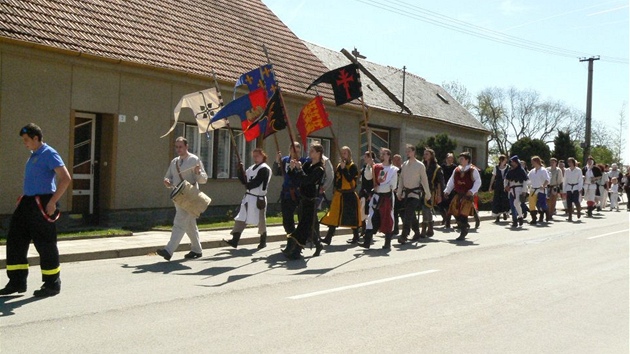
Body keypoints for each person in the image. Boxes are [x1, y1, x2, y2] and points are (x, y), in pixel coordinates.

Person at [1, 123, 71, 297]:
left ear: (36, 138)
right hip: (28, 202)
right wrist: (24, 196)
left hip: (43, 202)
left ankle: (52, 284)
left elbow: (65, 178)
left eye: (26, 140)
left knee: (45, 243)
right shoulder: (33, 156)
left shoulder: (49, 153)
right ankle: (16, 281)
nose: (24, 143)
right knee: (15, 239)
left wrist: (53, 202)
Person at [157, 137, 209, 261]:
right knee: (190, 224)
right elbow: (168, 177)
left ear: (186, 147)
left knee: (179, 222)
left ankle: (169, 250)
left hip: (190, 196)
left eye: (180, 146)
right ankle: (197, 249)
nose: (178, 149)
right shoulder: (174, 162)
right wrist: (167, 181)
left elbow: (204, 179)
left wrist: (197, 172)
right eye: (176, 147)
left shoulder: (194, 159)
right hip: (178, 197)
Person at [281, 144, 326, 259]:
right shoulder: (308, 164)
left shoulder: (319, 169)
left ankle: (296, 251)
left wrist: (300, 169)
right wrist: (292, 168)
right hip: (302, 198)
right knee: (307, 224)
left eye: (312, 151)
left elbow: (307, 180)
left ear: (318, 153)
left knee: (303, 225)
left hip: (311, 199)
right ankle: (318, 244)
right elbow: (297, 178)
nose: (309, 153)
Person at [223, 148, 272, 249]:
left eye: (257, 155)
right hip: (248, 197)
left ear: (263, 156)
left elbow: (256, 183)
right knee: (241, 217)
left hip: (258, 199)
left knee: (261, 220)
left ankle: (263, 240)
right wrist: (240, 171)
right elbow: (244, 180)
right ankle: (235, 240)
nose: (255, 158)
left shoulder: (264, 169)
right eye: (254, 156)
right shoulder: (252, 167)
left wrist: (247, 184)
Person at [320, 146, 361, 246]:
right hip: (339, 195)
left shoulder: (352, 166)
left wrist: (344, 169)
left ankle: (356, 236)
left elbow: (350, 179)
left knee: (352, 216)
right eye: (342, 153)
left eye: (345, 153)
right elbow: (337, 179)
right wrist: (334, 189)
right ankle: (328, 237)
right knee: (334, 215)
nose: (343, 155)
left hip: (349, 195)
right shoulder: (339, 165)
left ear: (349, 155)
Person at [359, 148, 398, 249]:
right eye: (381, 154)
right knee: (371, 218)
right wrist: (369, 165)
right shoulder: (376, 167)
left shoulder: (393, 170)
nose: (382, 155)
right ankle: (367, 242)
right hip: (376, 197)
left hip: (387, 198)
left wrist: (379, 187)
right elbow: (368, 176)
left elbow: (392, 186)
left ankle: (387, 243)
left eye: (384, 154)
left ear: (389, 156)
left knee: (387, 219)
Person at [396, 145, 430, 244]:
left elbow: (424, 180)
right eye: (406, 151)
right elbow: (401, 180)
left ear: (414, 152)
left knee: (408, 213)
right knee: (411, 214)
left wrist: (428, 193)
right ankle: (416, 232)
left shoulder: (420, 165)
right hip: (406, 193)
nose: (407, 153)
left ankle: (404, 235)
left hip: (415, 194)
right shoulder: (404, 165)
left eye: (409, 151)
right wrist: (399, 191)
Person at [443, 152, 481, 241]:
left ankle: (463, 231)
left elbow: (478, 182)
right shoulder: (456, 170)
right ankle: (464, 225)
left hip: (467, 197)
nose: (460, 160)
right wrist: (447, 191)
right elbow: (451, 181)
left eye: (462, 159)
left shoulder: (473, 170)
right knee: (453, 210)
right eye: (460, 158)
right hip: (458, 194)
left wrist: (471, 191)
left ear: (467, 160)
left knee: (463, 213)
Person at [273, 142, 307, 235]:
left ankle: (304, 236)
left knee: (302, 217)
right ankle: (291, 236)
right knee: (287, 218)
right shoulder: (285, 160)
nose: (294, 150)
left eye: (296, 148)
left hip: (300, 192)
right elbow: (276, 172)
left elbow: (305, 176)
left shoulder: (304, 161)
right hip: (287, 192)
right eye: (292, 148)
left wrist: (299, 167)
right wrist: (277, 161)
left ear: (300, 150)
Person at [421, 148, 444, 237]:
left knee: (426, 208)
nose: (425, 156)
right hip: (420, 190)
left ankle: (424, 229)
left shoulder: (437, 168)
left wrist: (439, 195)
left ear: (431, 156)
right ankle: (430, 228)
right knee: (426, 209)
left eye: (427, 154)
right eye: (424, 154)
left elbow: (440, 182)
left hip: (431, 190)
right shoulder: (422, 165)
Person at [354, 151, 375, 243]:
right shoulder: (365, 167)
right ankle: (363, 228)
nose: (364, 158)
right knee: (361, 211)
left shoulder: (374, 168)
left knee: (368, 212)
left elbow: (371, 179)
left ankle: (368, 231)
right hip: (363, 192)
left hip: (370, 193)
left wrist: (371, 166)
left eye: (366, 157)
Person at [504, 155, 528, 228]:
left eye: (513, 162)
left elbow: (525, 181)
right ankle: (515, 220)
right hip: (511, 189)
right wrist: (505, 186)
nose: (512, 163)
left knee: (516, 203)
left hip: (519, 189)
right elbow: (506, 179)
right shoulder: (510, 171)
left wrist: (524, 190)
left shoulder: (521, 170)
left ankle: (520, 216)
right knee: (512, 205)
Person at [527, 156, 551, 224]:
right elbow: (528, 179)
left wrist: (543, 185)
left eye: (533, 161)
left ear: (536, 162)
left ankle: (546, 212)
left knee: (541, 204)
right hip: (533, 189)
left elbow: (547, 179)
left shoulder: (543, 170)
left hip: (541, 189)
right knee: (531, 204)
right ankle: (534, 218)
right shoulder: (532, 171)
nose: (532, 163)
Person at [488, 155, 510, 223]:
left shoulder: (508, 167)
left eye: (505, 160)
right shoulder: (496, 167)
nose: (505, 161)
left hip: (505, 185)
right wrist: (490, 186)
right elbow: (493, 177)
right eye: (503, 160)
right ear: (500, 160)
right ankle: (497, 216)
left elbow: (510, 177)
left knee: (505, 199)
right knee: (497, 200)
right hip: (498, 185)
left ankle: (505, 213)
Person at [439, 152, 457, 227]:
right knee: (440, 204)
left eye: (452, 158)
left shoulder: (455, 167)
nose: (450, 159)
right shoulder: (442, 167)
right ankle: (445, 218)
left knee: (449, 205)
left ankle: (448, 222)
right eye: (449, 158)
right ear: (446, 159)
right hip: (443, 187)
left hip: (452, 188)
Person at [563, 157, 583, 222]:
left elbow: (580, 180)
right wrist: (564, 190)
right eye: (568, 162)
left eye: (571, 162)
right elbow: (565, 180)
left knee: (576, 201)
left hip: (576, 187)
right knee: (569, 202)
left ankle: (578, 210)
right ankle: (570, 216)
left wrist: (580, 188)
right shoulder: (567, 170)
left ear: (573, 162)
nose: (569, 163)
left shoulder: (578, 170)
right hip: (569, 187)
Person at [392, 154, 403, 235]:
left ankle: (407, 230)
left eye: (398, 160)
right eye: (395, 160)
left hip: (402, 194)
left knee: (403, 212)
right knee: (394, 212)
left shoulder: (404, 170)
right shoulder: (392, 170)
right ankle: (395, 229)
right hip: (393, 193)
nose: (397, 161)